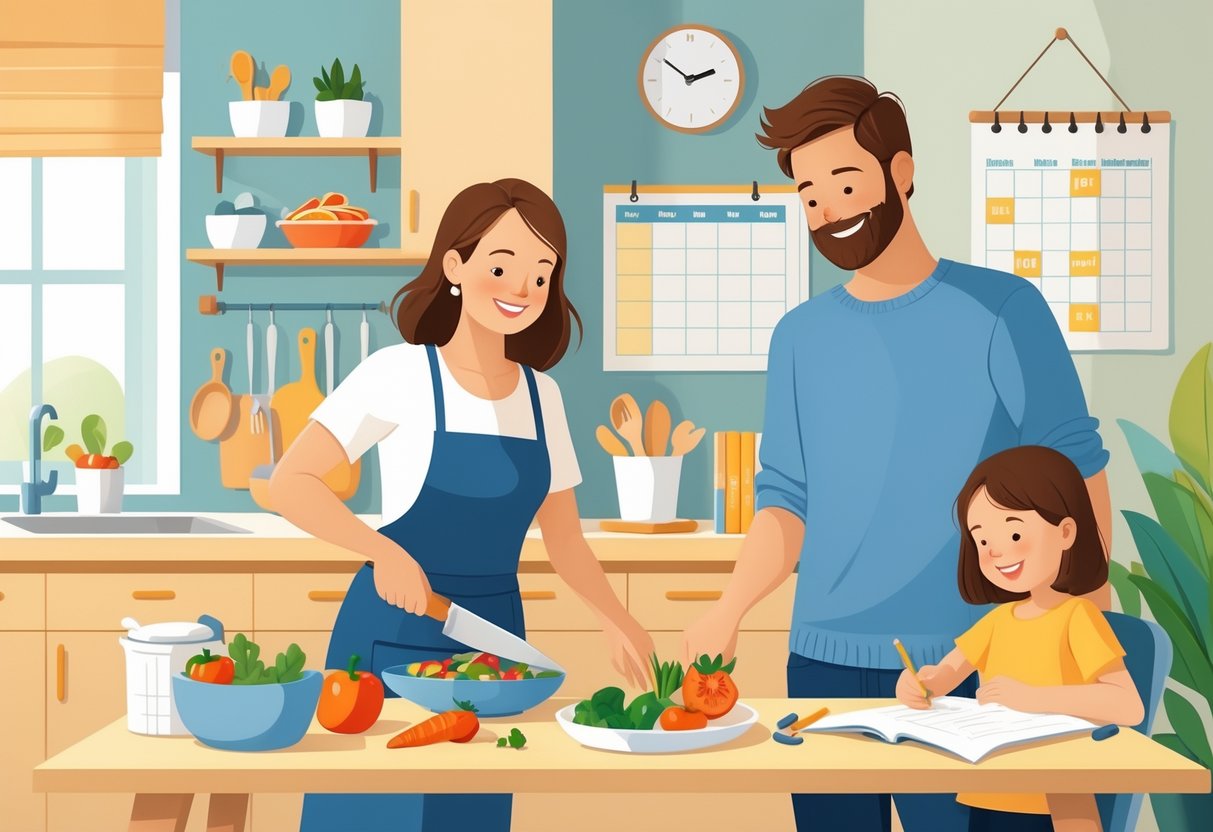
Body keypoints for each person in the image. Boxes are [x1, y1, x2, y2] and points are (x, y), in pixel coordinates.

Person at [682, 76, 1114, 832]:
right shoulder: (798, 338)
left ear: (901, 172)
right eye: (809, 195)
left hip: (976, 665)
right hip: (820, 672)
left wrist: (1083, 638)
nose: (829, 210)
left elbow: (1074, 474)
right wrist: (727, 609)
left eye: (844, 181)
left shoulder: (1001, 310)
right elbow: (785, 501)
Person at [270, 178, 655, 832]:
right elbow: (291, 481)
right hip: (393, 626)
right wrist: (382, 552)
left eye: (541, 273)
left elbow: (563, 540)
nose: (521, 288)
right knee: (372, 816)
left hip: (493, 642)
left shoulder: (543, 398)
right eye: (501, 266)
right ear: (454, 265)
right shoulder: (399, 373)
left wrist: (616, 618)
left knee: (467, 814)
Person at [896, 445, 1143, 832]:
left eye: (1013, 532)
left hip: (1055, 797)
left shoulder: (1077, 617)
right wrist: (917, 683)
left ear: (1065, 532)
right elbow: (944, 675)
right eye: (981, 540)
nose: (994, 551)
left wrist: (1033, 698)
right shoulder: (999, 621)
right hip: (989, 788)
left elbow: (1128, 705)